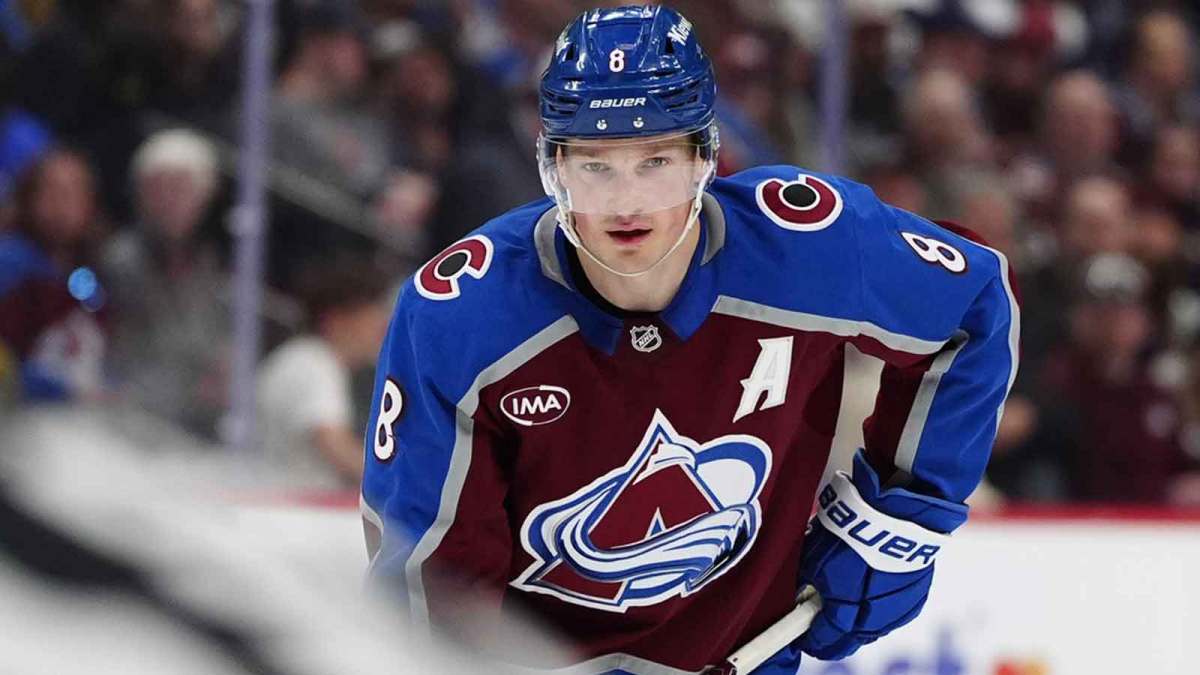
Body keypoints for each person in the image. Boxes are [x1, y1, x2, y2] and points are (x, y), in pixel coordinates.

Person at [361, 6, 1019, 674]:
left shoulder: (808, 253)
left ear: (704, 158)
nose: (626, 203)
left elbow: (973, 305)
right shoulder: (462, 316)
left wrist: (896, 524)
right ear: (553, 165)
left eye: (655, 161)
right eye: (595, 166)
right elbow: (428, 583)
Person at [257, 263, 391, 490]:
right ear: (335, 320)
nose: (382, 328)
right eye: (370, 317)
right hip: (294, 501)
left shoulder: (304, 357)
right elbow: (335, 446)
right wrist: (403, 487)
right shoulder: (313, 364)